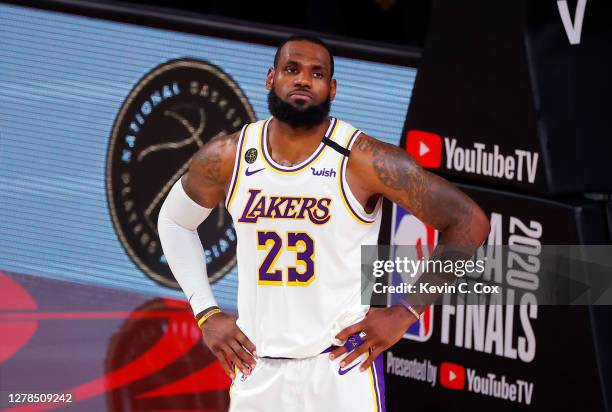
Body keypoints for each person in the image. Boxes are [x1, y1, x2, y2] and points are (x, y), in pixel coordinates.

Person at [158, 35, 490, 411]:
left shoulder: (363, 160)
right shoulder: (230, 157)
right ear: (270, 78)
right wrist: (206, 312)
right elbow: (173, 221)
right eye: (292, 69)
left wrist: (405, 312)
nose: (303, 80)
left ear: (331, 89)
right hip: (258, 365)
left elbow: (469, 222)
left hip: (340, 367)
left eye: (317, 74)